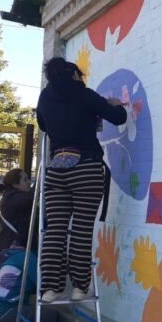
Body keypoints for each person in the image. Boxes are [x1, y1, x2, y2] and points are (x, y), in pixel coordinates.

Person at [36, 57, 127, 302]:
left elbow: (43, 125)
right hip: (86, 168)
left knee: (54, 231)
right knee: (81, 230)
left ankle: (50, 289)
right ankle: (79, 287)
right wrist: (117, 105)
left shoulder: (45, 97)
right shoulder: (84, 94)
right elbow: (118, 118)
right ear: (74, 74)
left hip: (57, 170)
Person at [0, 169, 34, 269]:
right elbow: (30, 197)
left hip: (16, 246)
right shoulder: (11, 198)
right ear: (15, 184)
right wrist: (41, 182)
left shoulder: (14, 197)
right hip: (12, 248)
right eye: (25, 180)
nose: (29, 182)